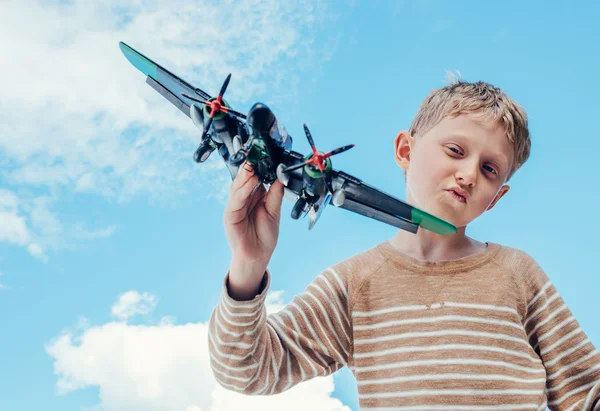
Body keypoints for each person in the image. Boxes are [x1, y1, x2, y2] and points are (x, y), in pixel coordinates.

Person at [207, 79, 600, 410]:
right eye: (456, 151)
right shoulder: (354, 283)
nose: (468, 175)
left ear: (496, 197)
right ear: (405, 151)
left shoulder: (518, 272)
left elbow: (585, 393)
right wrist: (248, 263)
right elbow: (245, 368)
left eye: (489, 169)